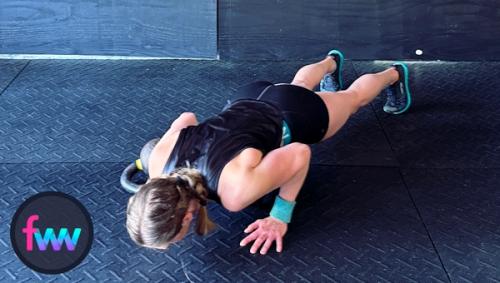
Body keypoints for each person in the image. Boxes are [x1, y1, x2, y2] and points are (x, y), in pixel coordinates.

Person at [126, 50, 412, 255]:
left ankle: (395, 73)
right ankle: (330, 62)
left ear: (186, 218)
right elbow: (186, 119)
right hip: (246, 97)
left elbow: (299, 154)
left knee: (353, 98)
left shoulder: (234, 194)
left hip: (296, 114)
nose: (176, 242)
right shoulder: (160, 160)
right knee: (298, 84)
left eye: (173, 241)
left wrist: (280, 215)